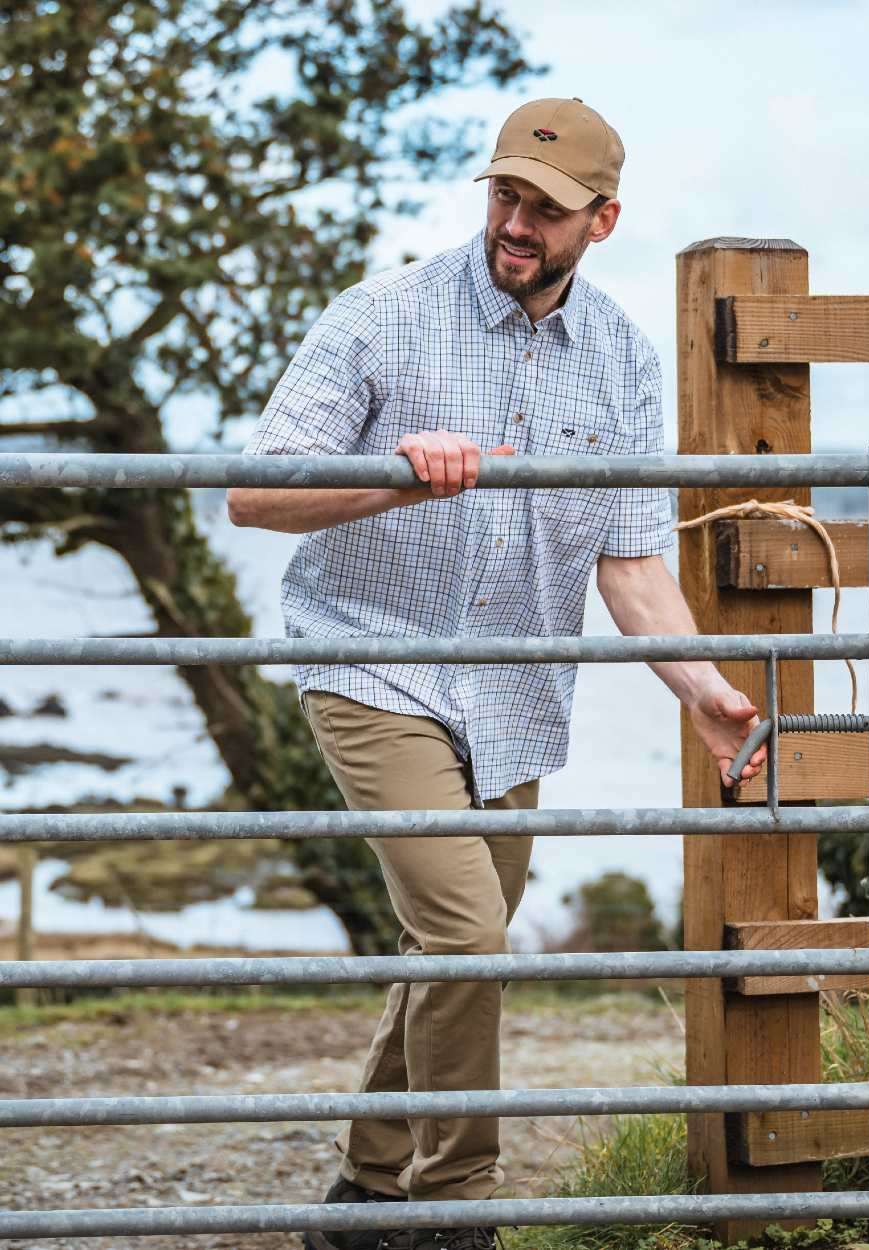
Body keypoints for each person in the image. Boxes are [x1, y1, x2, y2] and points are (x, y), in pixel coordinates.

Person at [229, 96, 766, 1250]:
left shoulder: (621, 358)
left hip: (517, 693)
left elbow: (631, 568)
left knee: (449, 950)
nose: (515, 223)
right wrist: (397, 476)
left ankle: (364, 1195)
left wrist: (704, 691)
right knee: (470, 937)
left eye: (546, 208)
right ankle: (455, 1210)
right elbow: (253, 488)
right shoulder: (386, 317)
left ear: (602, 219)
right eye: (505, 195)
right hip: (371, 657)